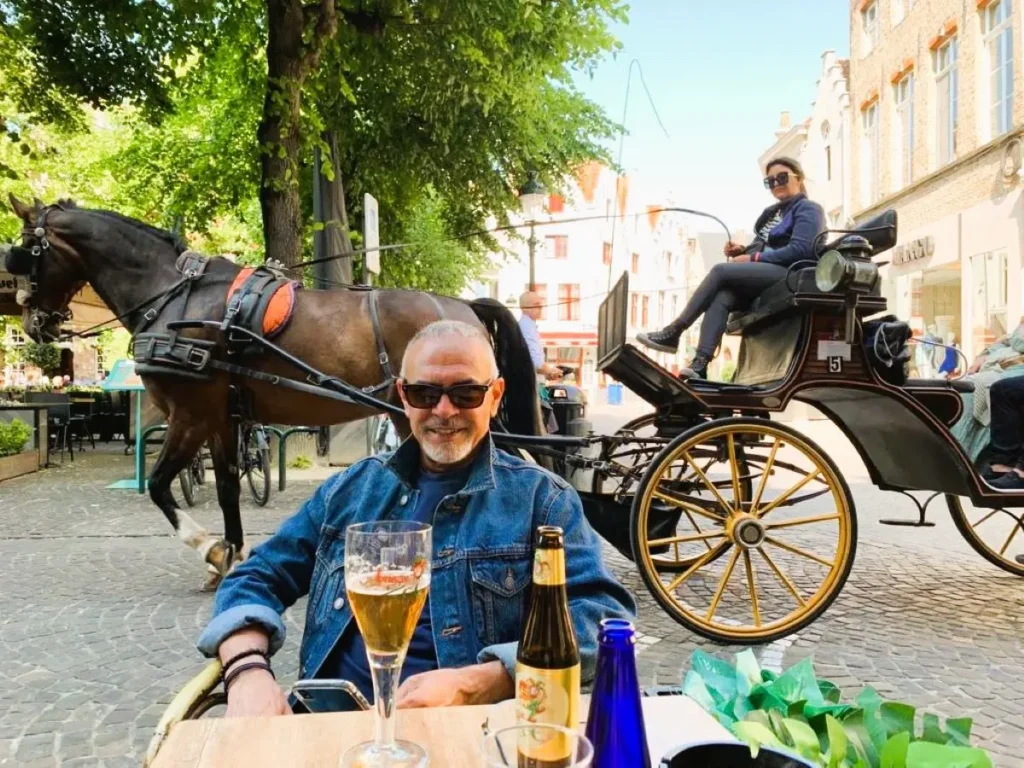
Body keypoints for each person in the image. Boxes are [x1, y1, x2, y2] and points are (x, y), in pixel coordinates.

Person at [197, 320, 636, 716]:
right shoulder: (352, 489)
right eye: (425, 393)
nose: (444, 411)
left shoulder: (542, 500)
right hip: (328, 725)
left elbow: (601, 617)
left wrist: (482, 682)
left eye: (466, 393)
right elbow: (257, 575)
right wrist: (247, 670)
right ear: (403, 395)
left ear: (496, 395)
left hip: (461, 732)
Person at [637, 157, 825, 379]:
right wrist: (741, 251)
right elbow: (762, 246)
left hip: (791, 273)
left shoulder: (809, 209)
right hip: (768, 275)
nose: (776, 184)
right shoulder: (773, 214)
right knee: (723, 296)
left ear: (799, 178)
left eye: (782, 177)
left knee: (720, 271)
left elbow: (801, 249)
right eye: (770, 181)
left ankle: (674, 331)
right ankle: (700, 364)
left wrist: (753, 258)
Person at [518, 290, 562, 380]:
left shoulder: (529, 326)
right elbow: (535, 362)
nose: (540, 308)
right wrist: (551, 370)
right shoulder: (526, 328)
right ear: (524, 307)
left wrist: (547, 373)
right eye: (536, 305)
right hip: (528, 384)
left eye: (541, 305)